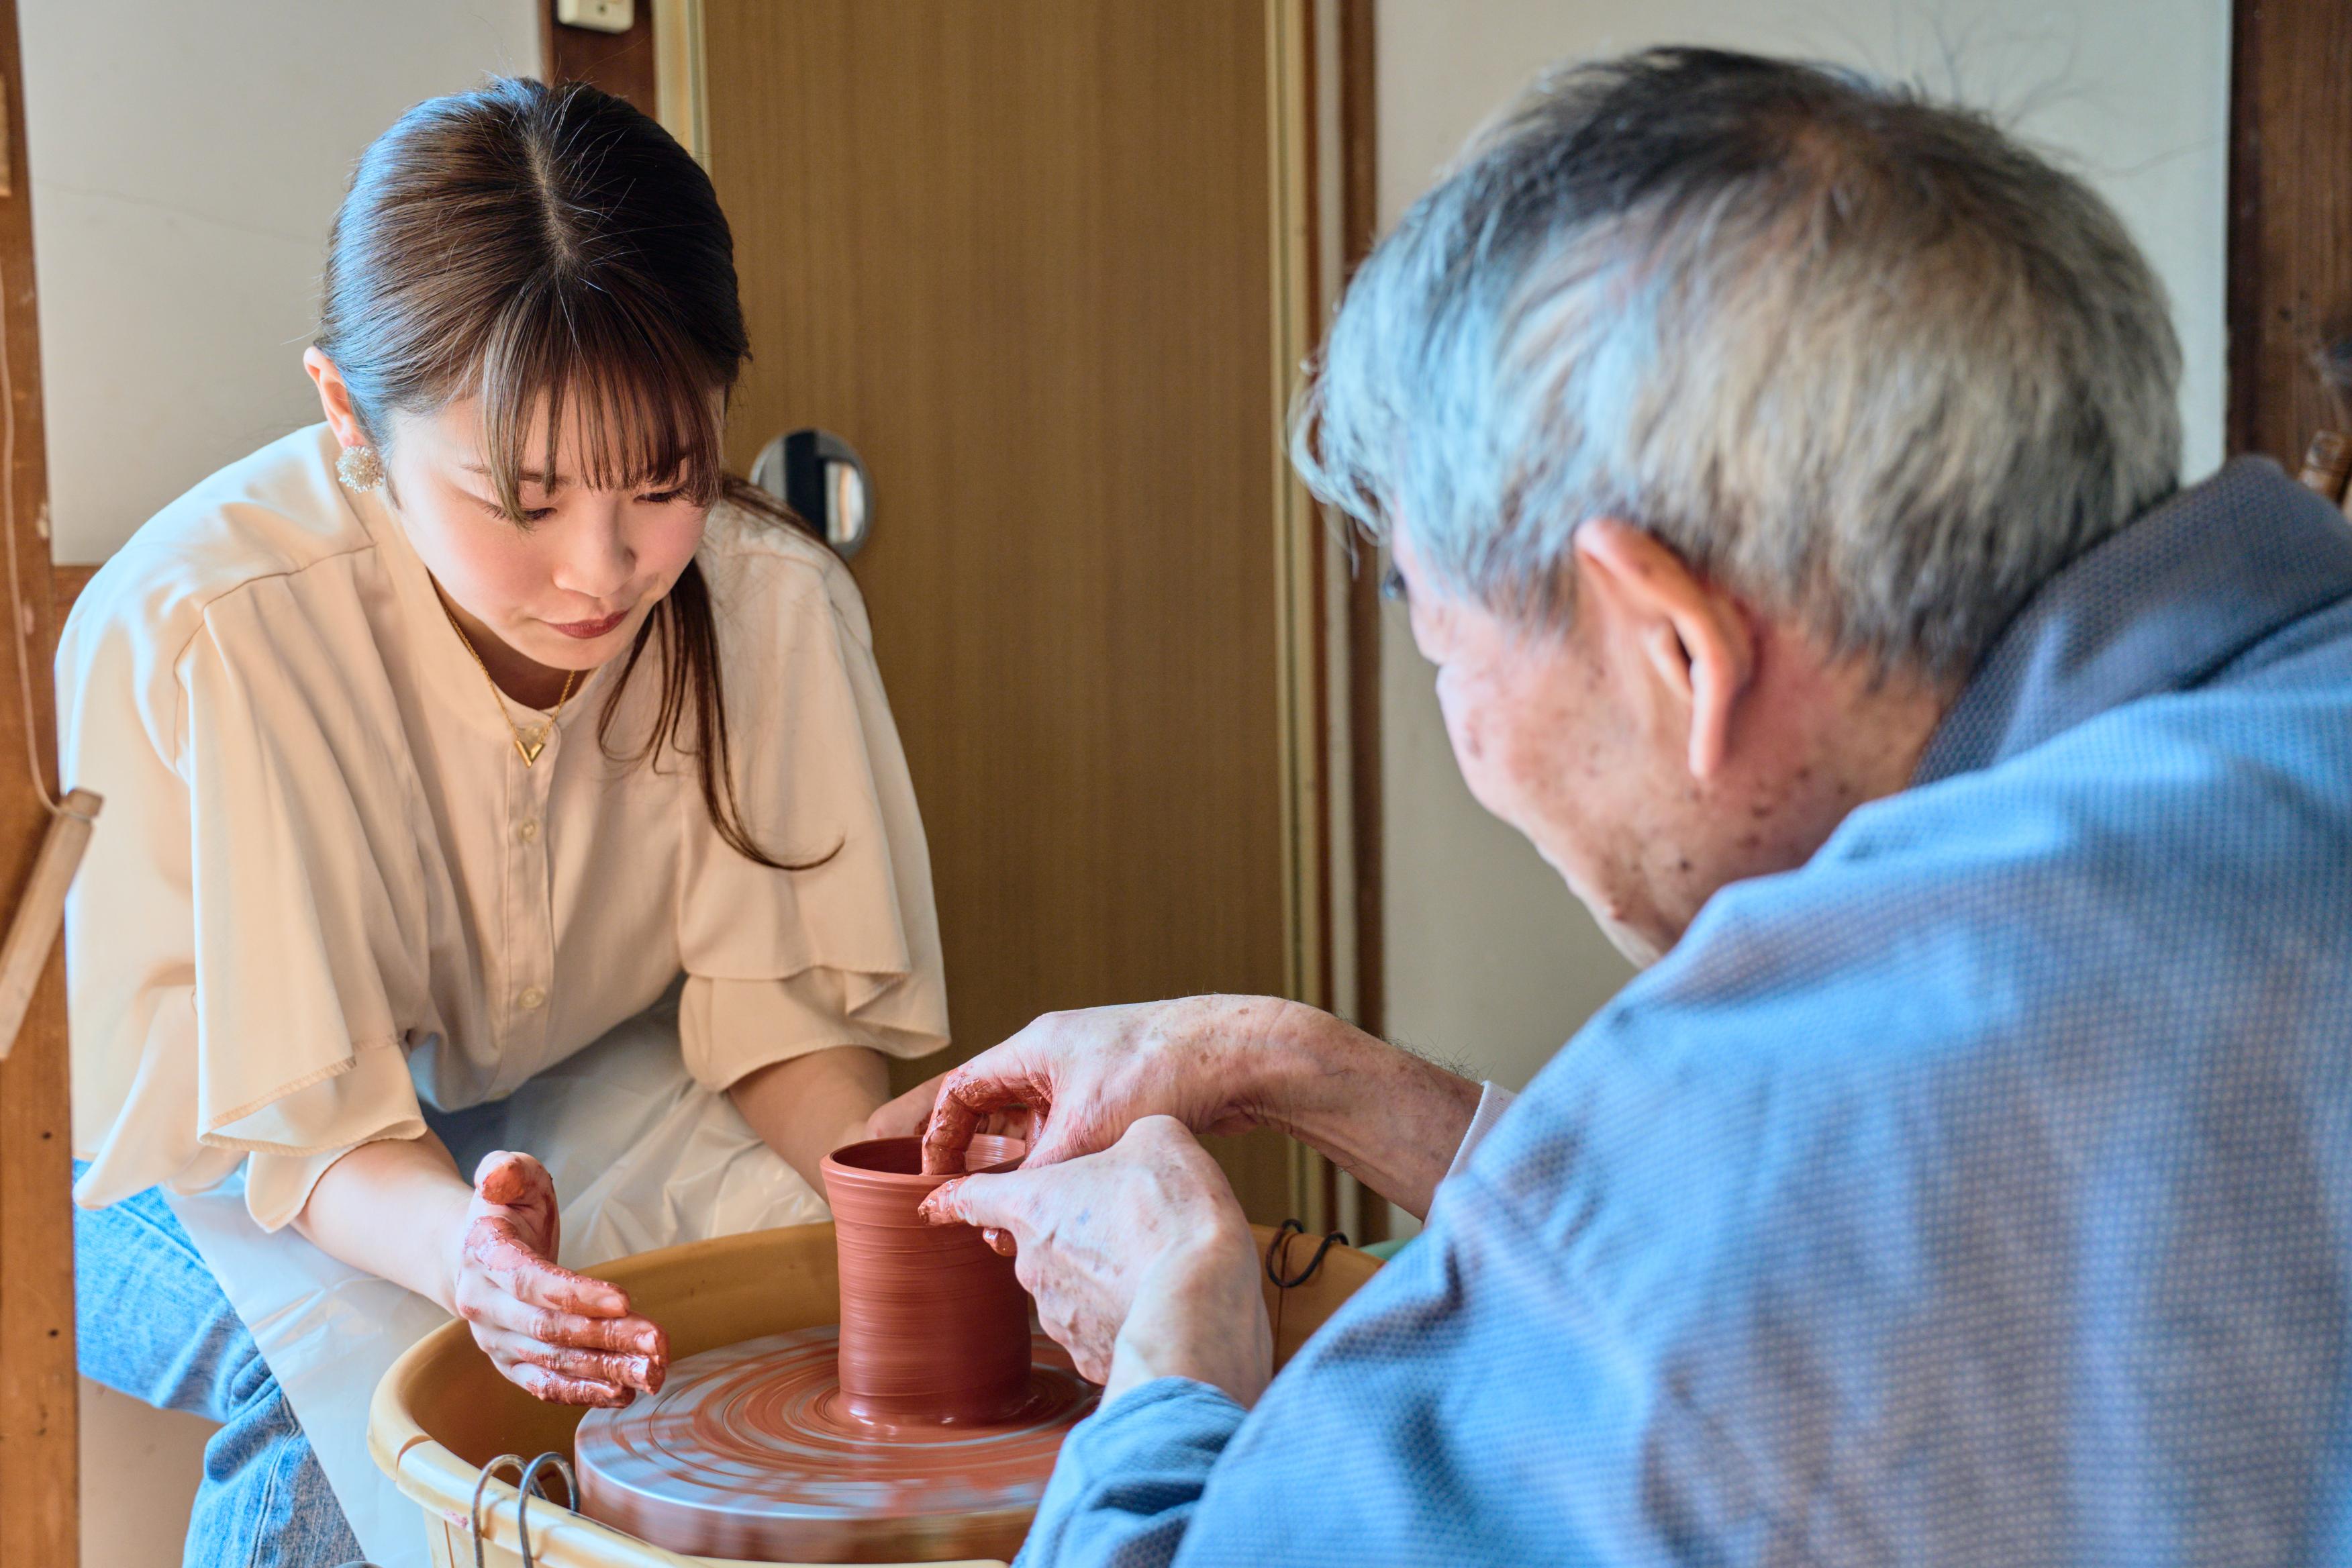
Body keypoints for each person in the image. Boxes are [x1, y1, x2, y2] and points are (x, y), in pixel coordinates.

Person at [914, 48, 2352, 1565]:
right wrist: (1314, 1070)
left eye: (1439, 644)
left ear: (1674, 645)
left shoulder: (1808, 1094)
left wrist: (1176, 1326)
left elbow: (1782, 1204)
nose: (1461, 729)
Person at [61, 80, 952, 1567]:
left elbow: (782, 1029)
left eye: (662, 480)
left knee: (773, 1266)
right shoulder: (206, 629)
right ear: (349, 418)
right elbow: (287, 1131)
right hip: (154, 1148)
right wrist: (464, 1258)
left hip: (513, 1097)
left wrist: (898, 1205)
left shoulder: (766, 598)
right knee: (377, 1384)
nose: (598, 571)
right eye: (521, 501)